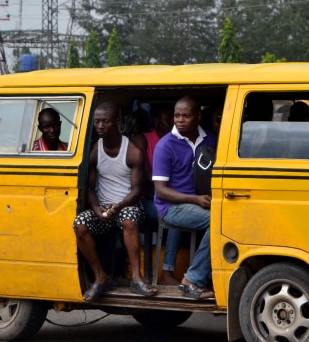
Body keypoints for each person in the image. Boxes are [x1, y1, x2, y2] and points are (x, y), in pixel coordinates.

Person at [73, 103, 155, 301]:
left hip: (128, 205)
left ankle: (136, 278)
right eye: (97, 122)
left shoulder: (133, 150)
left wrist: (118, 206)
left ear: (117, 122)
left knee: (129, 220)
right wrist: (97, 209)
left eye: (105, 121)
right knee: (80, 224)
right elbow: (90, 189)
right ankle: (100, 277)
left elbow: (137, 190)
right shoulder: (94, 150)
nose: (100, 126)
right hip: (104, 208)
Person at [153, 96, 217, 299]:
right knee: (218, 221)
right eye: (176, 115)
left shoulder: (210, 139)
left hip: (200, 201)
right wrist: (195, 199)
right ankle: (193, 279)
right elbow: (161, 191)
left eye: (186, 115)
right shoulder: (165, 146)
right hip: (171, 207)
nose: (179, 120)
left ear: (198, 116)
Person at [141, 103, 183, 286]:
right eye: (169, 118)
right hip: (149, 199)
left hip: (172, 196)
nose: (174, 122)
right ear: (156, 121)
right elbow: (149, 182)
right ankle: (167, 272)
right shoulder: (144, 140)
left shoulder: (178, 140)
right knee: (176, 218)